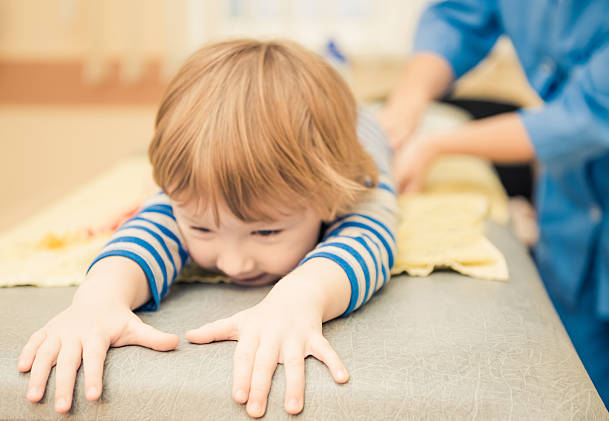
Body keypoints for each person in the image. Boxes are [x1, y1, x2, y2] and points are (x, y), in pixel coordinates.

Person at [18, 39, 398, 418]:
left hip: (366, 128)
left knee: (389, 128)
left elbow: (368, 238)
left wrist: (300, 298)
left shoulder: (350, 183)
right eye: (201, 229)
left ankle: (344, 73)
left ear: (326, 201)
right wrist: (96, 301)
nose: (233, 264)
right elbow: (149, 231)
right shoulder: (191, 191)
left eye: (266, 232)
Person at [378, 0, 609, 410]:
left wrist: (435, 145)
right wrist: (406, 104)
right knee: (577, 386)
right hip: (570, 218)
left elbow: (589, 114)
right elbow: (459, 16)